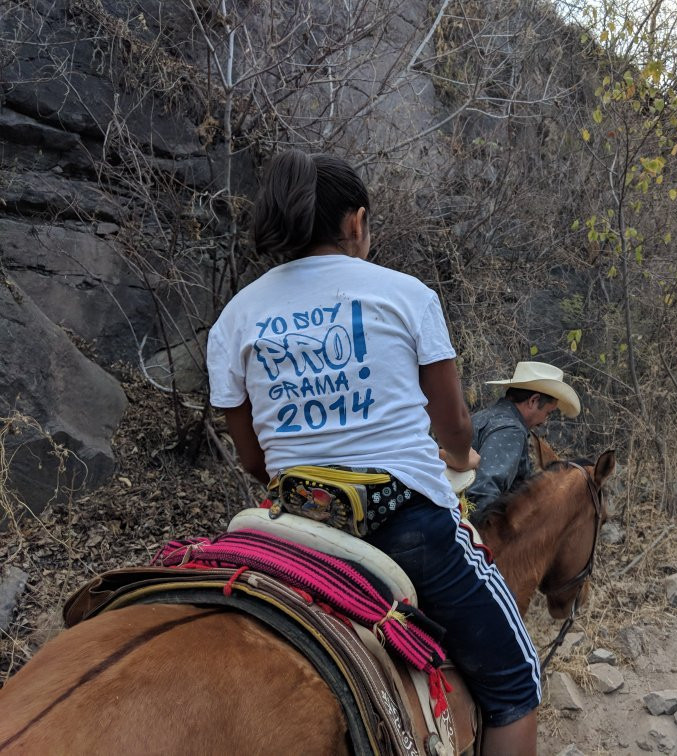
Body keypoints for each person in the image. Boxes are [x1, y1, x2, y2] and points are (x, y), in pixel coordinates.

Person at [206, 149, 540, 753]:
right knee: (516, 682)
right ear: (356, 223)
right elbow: (455, 425)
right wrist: (462, 458)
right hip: (405, 527)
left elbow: (254, 461)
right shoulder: (406, 295)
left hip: (289, 529)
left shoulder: (233, 319)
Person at [467, 361, 581, 517]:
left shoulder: (483, 416)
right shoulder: (511, 430)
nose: (545, 421)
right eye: (547, 413)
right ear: (533, 401)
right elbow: (483, 494)